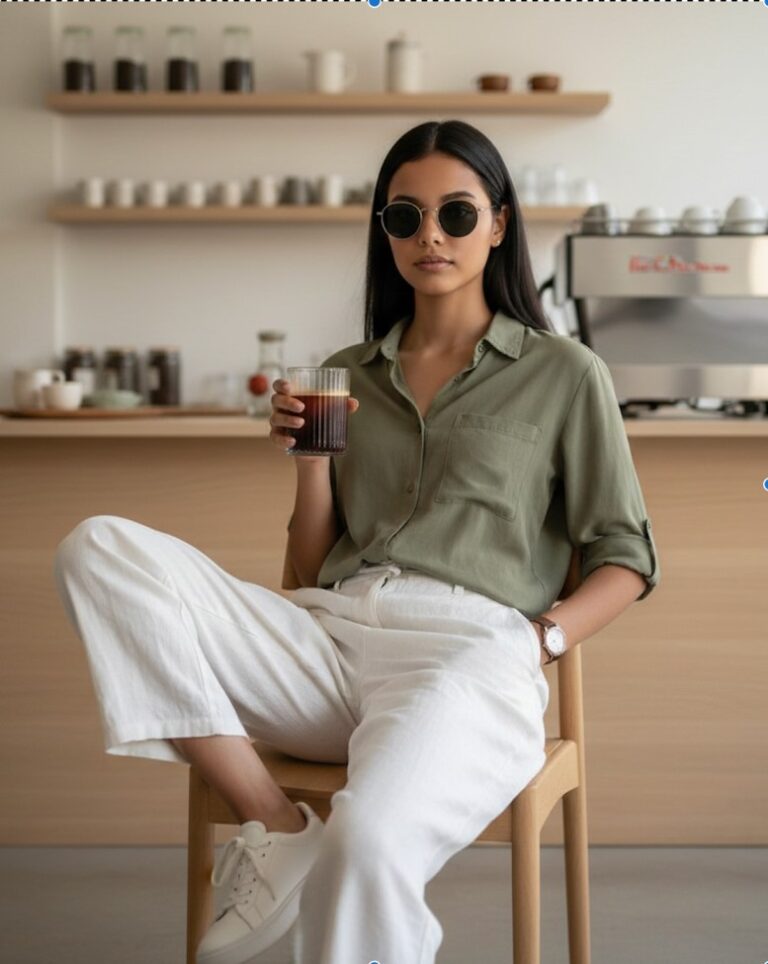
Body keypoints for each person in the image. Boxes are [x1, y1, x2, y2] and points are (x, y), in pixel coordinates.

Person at [53, 119, 660, 964]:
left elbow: (625, 556)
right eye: (405, 218)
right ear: (385, 232)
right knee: (99, 546)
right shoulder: (348, 369)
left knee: (366, 845)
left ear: (499, 222)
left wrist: (538, 641)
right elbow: (308, 565)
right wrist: (309, 465)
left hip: (467, 654)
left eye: (456, 213)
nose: (431, 237)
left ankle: (322, 851)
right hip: (327, 638)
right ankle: (271, 821)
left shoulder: (563, 372)